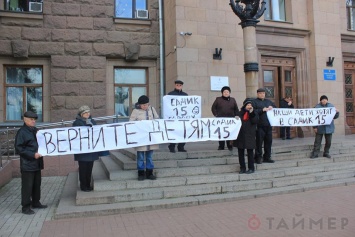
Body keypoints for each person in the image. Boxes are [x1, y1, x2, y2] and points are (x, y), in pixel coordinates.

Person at [15, 111, 47, 215]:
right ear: (25, 119)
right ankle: (25, 207)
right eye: (31, 119)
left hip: (36, 163)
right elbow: (19, 148)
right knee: (27, 186)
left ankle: (36, 202)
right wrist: (32, 155)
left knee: (37, 184)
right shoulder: (22, 132)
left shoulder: (35, 130)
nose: (33, 121)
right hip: (28, 164)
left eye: (34, 120)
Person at [129, 95, 160, 181]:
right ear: (139, 105)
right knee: (140, 157)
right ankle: (141, 173)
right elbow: (131, 123)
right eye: (143, 105)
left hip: (150, 138)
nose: (145, 107)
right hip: (141, 138)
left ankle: (150, 172)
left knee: (149, 156)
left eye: (146, 105)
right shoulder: (135, 111)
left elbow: (157, 120)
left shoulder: (152, 109)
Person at [73, 105, 100, 192]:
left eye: (88, 112)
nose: (87, 114)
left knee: (89, 168)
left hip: (91, 150)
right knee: (83, 169)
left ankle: (88, 184)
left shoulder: (93, 121)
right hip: (83, 151)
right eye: (85, 113)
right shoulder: (77, 123)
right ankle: (83, 186)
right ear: (81, 114)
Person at [234, 99, 259, 174]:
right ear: (245, 106)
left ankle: (251, 168)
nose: (249, 106)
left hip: (250, 135)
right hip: (241, 135)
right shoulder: (240, 113)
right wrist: (235, 119)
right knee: (240, 153)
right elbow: (235, 122)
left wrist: (251, 113)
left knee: (250, 152)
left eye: (250, 105)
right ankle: (242, 168)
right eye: (248, 105)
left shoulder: (254, 113)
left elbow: (255, 121)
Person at [211, 86, 239, 151]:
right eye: (224, 92)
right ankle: (221, 146)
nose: (226, 93)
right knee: (221, 133)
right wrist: (216, 115)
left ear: (229, 93)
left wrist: (237, 116)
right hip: (221, 120)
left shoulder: (233, 100)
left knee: (229, 133)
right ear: (222, 93)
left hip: (230, 120)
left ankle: (230, 145)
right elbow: (213, 108)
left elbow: (236, 109)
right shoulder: (218, 99)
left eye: (227, 92)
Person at [253, 88, 276, 164]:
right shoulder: (254, 102)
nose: (262, 94)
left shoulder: (268, 101)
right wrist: (262, 110)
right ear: (257, 94)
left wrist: (272, 108)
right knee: (259, 142)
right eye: (260, 93)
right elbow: (253, 112)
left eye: (263, 93)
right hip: (259, 125)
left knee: (268, 142)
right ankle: (258, 157)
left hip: (268, 125)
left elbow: (276, 109)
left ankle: (267, 157)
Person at [167, 80, 188, 153]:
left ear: (182, 86)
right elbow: (167, 105)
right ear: (175, 85)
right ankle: (172, 146)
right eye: (177, 85)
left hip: (183, 117)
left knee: (183, 132)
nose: (178, 86)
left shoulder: (185, 95)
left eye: (180, 85)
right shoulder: (170, 94)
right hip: (174, 117)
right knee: (174, 132)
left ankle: (181, 146)